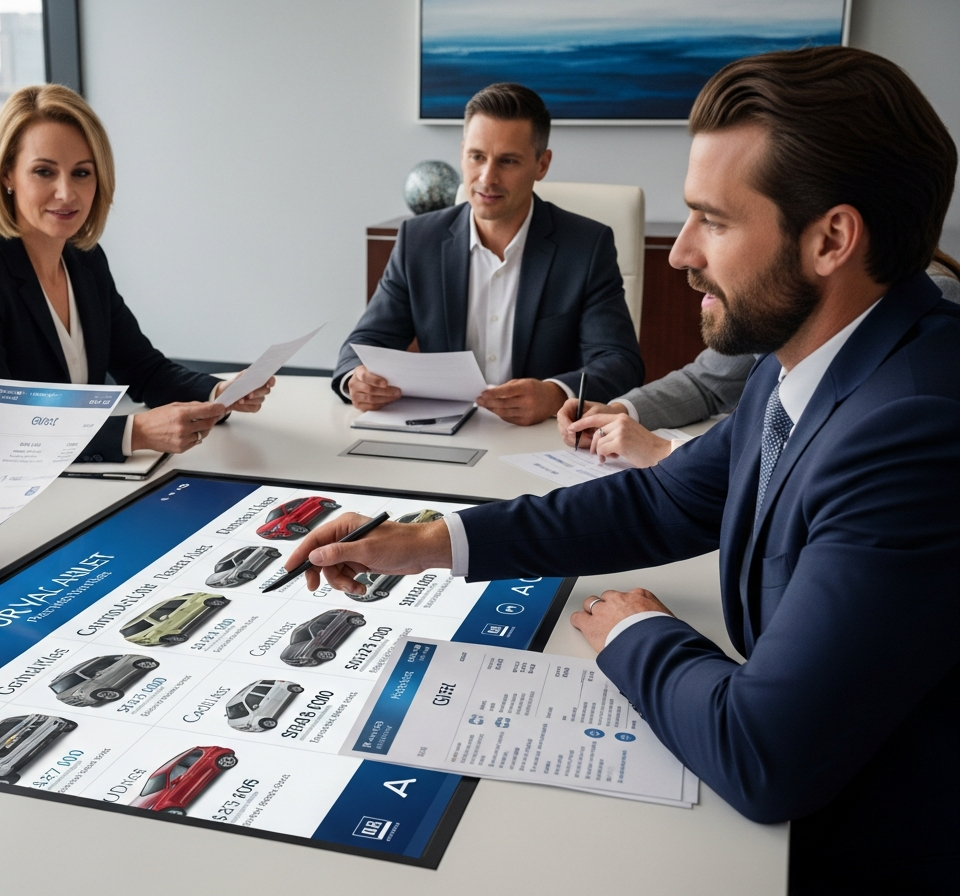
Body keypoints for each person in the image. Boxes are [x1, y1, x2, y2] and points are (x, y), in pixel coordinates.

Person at [289, 48, 959, 891]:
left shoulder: (914, 425)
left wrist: (635, 632)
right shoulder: (804, 362)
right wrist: (418, 543)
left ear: (831, 238)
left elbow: (765, 754)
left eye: (712, 221)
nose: (679, 253)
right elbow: (657, 502)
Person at [0, 85, 272, 473]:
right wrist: (133, 432)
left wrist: (218, 392)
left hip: (67, 479)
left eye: (82, 173)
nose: (66, 192)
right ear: (7, 174)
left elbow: (142, 368)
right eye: (44, 172)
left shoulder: (84, 262)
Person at [331, 83, 643, 425]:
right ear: (463, 152)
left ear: (542, 164)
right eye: (477, 156)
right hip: (443, 435)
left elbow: (620, 362)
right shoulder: (418, 240)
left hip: (541, 439)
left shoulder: (586, 245)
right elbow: (365, 342)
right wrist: (355, 379)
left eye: (508, 161)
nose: (487, 177)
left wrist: (555, 394)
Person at [556, 252, 960, 467]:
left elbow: (815, 460)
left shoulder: (927, 304)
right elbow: (708, 380)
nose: (680, 256)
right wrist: (620, 411)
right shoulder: (783, 300)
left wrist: (668, 450)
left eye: (719, 221)